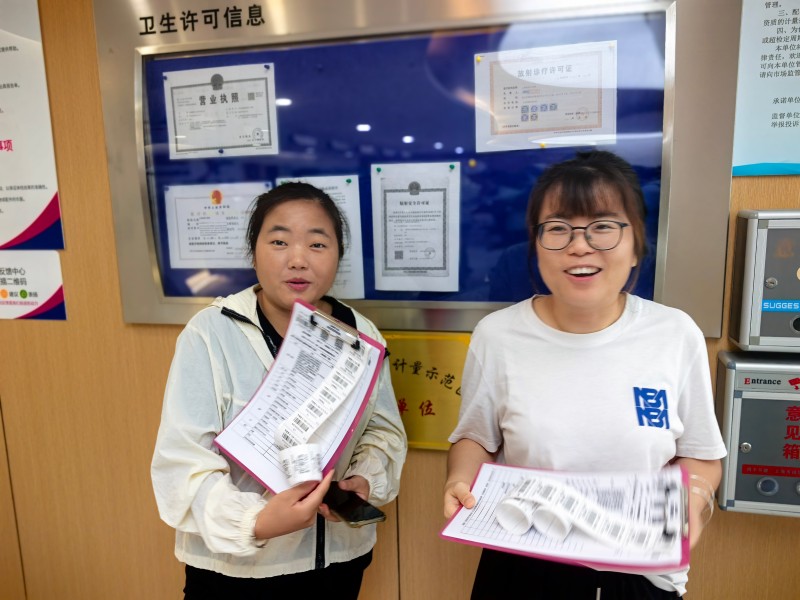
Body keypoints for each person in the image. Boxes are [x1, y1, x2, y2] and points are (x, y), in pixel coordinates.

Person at [444, 150, 726, 599]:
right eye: (558, 228)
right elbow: (475, 439)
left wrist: (691, 501)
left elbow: (700, 454)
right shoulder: (497, 335)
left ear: (636, 245)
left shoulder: (675, 334)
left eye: (603, 226)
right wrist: (460, 480)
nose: (580, 246)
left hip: (638, 571)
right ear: (535, 246)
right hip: (523, 561)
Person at [152, 182, 407, 598]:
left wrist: (364, 478)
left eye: (318, 244)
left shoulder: (360, 334)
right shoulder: (212, 331)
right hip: (238, 570)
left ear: (338, 255)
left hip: (339, 562)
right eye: (279, 241)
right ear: (253, 253)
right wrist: (254, 522)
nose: (298, 259)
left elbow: (382, 430)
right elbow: (182, 460)